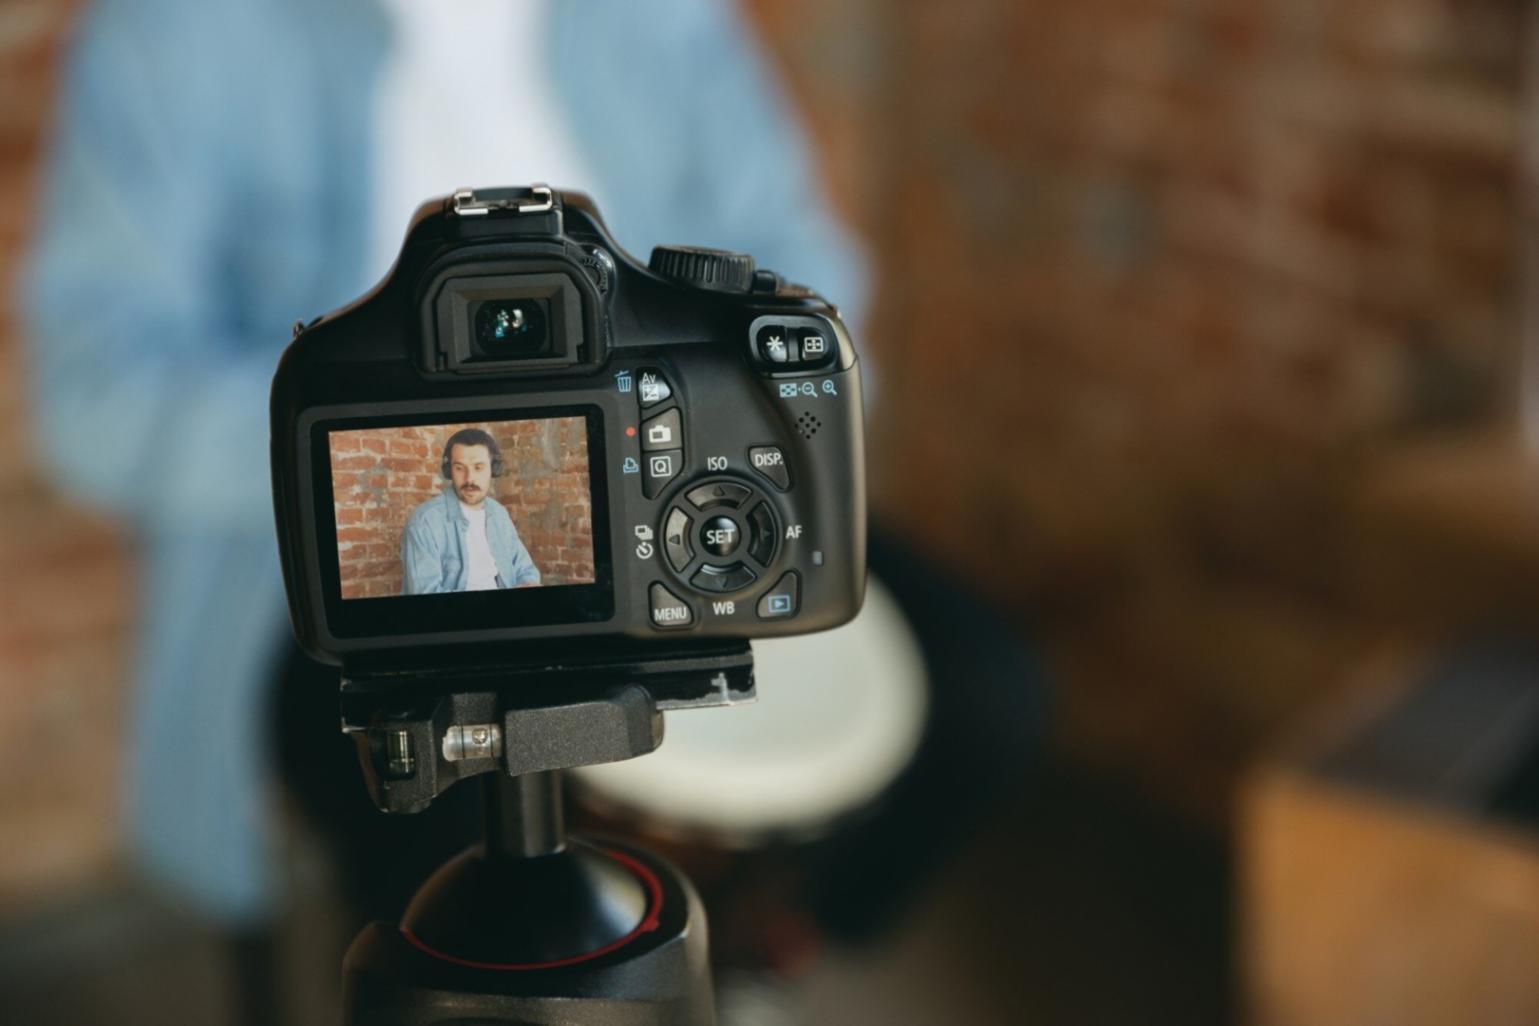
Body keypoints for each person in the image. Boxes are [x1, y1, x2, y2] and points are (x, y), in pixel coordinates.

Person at [402, 429, 540, 594]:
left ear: (493, 469)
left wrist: (528, 585)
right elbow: (425, 593)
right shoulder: (424, 522)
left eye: (478, 468)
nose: (469, 479)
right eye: (460, 468)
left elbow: (526, 570)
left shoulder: (499, 514)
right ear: (449, 471)